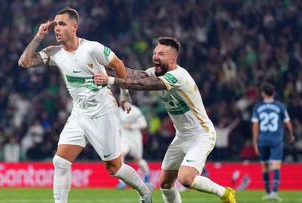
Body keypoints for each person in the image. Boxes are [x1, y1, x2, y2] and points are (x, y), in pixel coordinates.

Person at [18, 7, 152, 203]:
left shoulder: (92, 48)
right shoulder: (53, 52)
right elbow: (24, 62)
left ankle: (144, 191)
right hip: (79, 115)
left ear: (74, 27)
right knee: (60, 161)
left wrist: (125, 94)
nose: (57, 28)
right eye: (55, 24)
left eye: (62, 24)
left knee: (114, 168)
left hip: (103, 113)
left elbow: (119, 65)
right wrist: (39, 36)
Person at [94, 37, 236, 203]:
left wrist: (110, 80)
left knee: (185, 179)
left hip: (201, 134)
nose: (155, 57)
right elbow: (133, 75)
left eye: (161, 54)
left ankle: (225, 193)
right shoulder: (156, 71)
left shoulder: (178, 76)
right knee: (166, 183)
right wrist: (105, 65)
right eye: (154, 53)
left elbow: (144, 84)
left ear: (173, 59)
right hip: (182, 136)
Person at [251, 83, 294, 201]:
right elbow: (287, 122)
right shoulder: (280, 106)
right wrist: (291, 135)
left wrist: (255, 142)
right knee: (276, 165)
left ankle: (268, 193)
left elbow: (255, 125)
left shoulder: (258, 107)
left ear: (263, 93)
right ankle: (274, 192)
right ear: (273, 93)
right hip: (276, 140)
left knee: (264, 166)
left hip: (263, 140)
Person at [117, 104, 150, 189]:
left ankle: (147, 175)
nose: (122, 101)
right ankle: (122, 182)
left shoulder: (135, 110)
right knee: (121, 155)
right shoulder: (118, 111)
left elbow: (144, 124)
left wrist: (132, 126)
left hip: (135, 139)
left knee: (137, 160)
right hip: (124, 138)